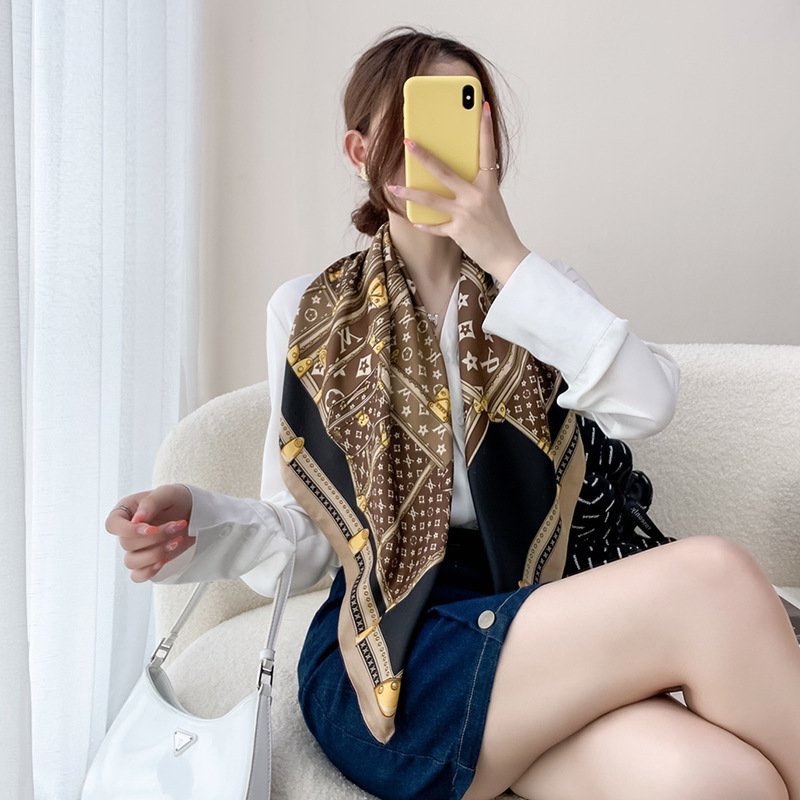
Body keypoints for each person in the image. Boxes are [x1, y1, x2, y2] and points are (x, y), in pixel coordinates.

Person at [107, 28, 800, 800]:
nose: (439, 146)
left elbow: (649, 402)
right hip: (390, 659)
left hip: (534, 616)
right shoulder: (310, 314)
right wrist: (201, 522)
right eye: (413, 121)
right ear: (360, 152)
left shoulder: (539, 292)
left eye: (463, 116)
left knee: (724, 780)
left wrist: (505, 255)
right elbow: (311, 538)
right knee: (714, 577)